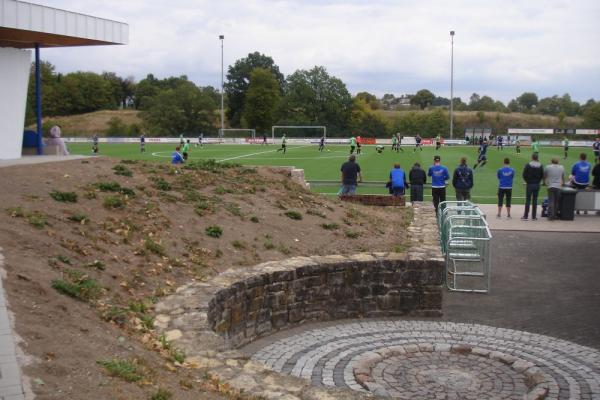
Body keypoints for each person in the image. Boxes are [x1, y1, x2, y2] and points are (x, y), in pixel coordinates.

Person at [521, 153, 544, 220]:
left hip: (530, 184)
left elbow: (524, 174)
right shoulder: (540, 165)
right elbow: (542, 175)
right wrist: (538, 181)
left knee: (528, 200)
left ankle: (526, 216)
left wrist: (527, 181)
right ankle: (534, 216)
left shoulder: (528, 165)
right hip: (536, 184)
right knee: (535, 200)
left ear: (532, 157)